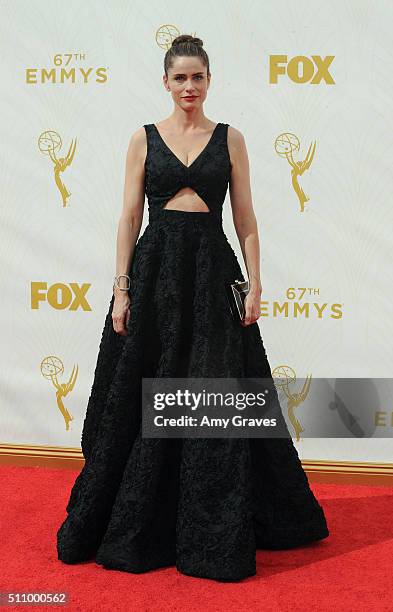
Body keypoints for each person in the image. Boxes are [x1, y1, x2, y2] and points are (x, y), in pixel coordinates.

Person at [56, 34, 329, 582]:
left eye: (197, 78)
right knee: (141, 395)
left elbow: (246, 220)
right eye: (179, 78)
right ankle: (145, 519)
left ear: (209, 81)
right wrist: (122, 288)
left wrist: (255, 285)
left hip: (211, 275)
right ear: (166, 82)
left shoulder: (230, 139)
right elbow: (129, 219)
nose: (189, 87)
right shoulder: (143, 138)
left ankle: (211, 526)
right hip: (155, 276)